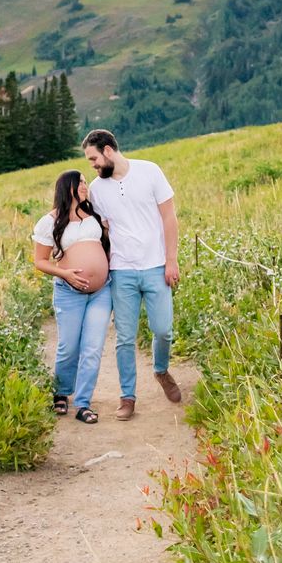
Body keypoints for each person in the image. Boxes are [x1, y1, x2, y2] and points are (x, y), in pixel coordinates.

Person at [82, 128, 181, 421]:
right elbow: (99, 229)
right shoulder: (98, 190)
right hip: (121, 270)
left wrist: (171, 260)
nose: (93, 165)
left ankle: (161, 371)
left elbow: (169, 217)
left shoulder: (150, 172)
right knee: (125, 337)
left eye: (94, 159)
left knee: (163, 329)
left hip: (155, 266)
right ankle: (128, 397)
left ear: (108, 151)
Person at [32, 169, 112, 424]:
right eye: (80, 183)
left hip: (101, 291)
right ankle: (61, 392)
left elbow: (105, 246)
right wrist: (65, 273)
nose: (85, 186)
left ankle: (84, 403)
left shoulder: (94, 216)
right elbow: (40, 262)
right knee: (69, 346)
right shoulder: (50, 222)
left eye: (86, 182)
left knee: (93, 347)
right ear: (67, 187)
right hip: (69, 293)